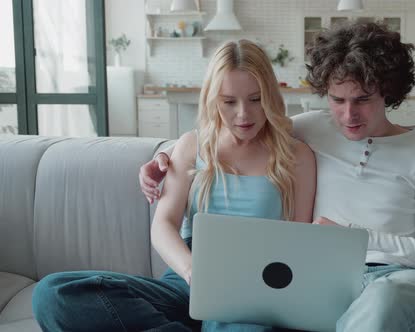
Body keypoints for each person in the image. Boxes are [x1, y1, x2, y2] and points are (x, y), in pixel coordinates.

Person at [141, 22, 415, 331]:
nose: (348, 115)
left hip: (402, 281)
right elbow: (240, 131)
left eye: (363, 100)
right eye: (338, 100)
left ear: (389, 92)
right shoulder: (311, 128)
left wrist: (356, 238)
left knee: (380, 301)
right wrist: (163, 158)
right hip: (330, 279)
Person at [32, 39, 316, 332]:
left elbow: (295, 245)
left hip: (255, 281)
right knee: (53, 294)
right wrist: (195, 272)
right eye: (229, 101)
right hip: (187, 281)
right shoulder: (191, 145)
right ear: (212, 99)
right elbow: (163, 225)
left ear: (270, 95)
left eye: (255, 99)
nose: (243, 114)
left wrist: (245, 288)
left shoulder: (297, 156)